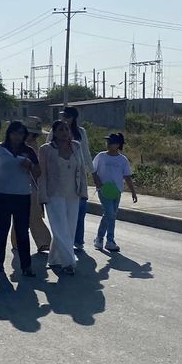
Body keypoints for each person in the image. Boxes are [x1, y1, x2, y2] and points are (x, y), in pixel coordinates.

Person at [0, 121, 40, 277]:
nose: (18, 136)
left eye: (21, 133)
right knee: (2, 229)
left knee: (22, 231)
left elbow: (38, 172)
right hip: (0, 194)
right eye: (15, 133)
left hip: (22, 195)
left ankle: (26, 266)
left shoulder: (28, 151)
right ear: (9, 133)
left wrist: (31, 165)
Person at [38, 120, 88, 275]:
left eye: (66, 129)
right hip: (54, 194)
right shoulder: (46, 149)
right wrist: (42, 196)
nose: (65, 132)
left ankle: (54, 259)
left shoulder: (76, 146)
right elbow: (42, 175)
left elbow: (82, 169)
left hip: (73, 193)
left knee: (70, 229)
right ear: (54, 132)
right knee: (60, 229)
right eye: (61, 130)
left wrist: (84, 191)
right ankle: (68, 262)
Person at [53, 106, 95, 250]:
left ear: (73, 118)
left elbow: (86, 153)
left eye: (67, 116)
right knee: (63, 211)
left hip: (78, 175)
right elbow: (49, 150)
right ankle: (64, 240)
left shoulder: (80, 132)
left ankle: (78, 240)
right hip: (60, 176)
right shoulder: (55, 131)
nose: (64, 119)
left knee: (80, 209)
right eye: (63, 116)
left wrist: (93, 173)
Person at [11, 117, 51, 252]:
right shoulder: (14, 147)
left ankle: (43, 241)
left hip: (33, 184)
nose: (33, 137)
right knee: (19, 215)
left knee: (35, 213)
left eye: (35, 135)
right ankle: (17, 241)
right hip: (16, 185)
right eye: (31, 134)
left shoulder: (35, 147)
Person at [92, 133, 137, 252]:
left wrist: (133, 192)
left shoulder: (122, 160)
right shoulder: (101, 156)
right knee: (110, 214)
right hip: (104, 190)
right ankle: (108, 240)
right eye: (108, 142)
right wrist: (98, 183)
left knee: (110, 215)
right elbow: (93, 170)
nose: (109, 144)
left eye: (112, 142)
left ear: (118, 145)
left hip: (116, 191)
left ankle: (101, 239)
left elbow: (127, 176)